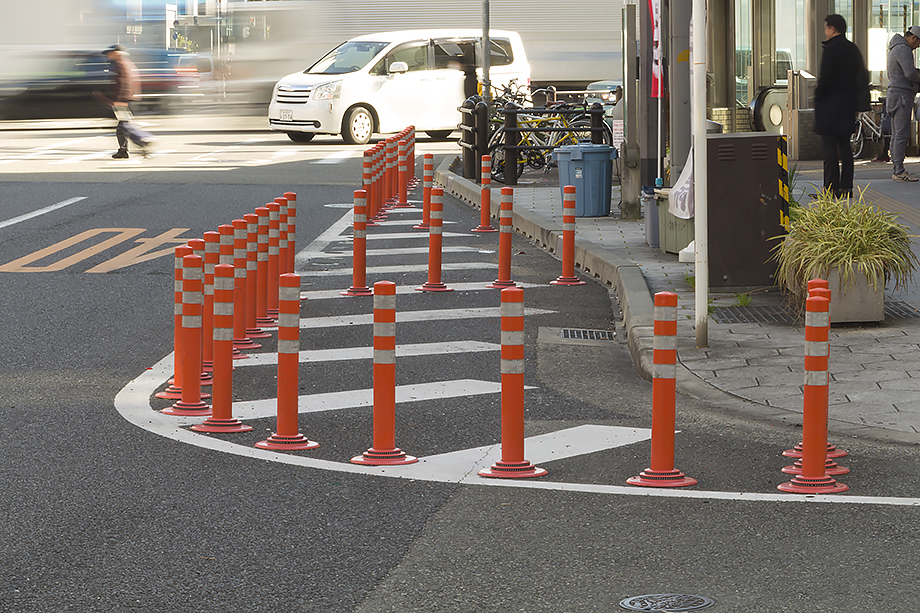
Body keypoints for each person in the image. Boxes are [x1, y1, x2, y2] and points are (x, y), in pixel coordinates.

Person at [814, 14, 870, 198]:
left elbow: (825, 79)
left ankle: (830, 189)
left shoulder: (830, 49)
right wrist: (858, 104)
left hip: (829, 108)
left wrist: (818, 95)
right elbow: (861, 78)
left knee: (829, 150)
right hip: (847, 107)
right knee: (845, 148)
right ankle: (846, 188)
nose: (825, 31)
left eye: (826, 28)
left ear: (832, 29)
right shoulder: (852, 49)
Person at [96, 45, 154, 159]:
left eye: (109, 53)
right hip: (129, 98)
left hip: (124, 100)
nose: (107, 56)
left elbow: (123, 83)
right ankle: (124, 150)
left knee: (124, 126)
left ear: (116, 53)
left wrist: (119, 100)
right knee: (122, 127)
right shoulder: (126, 62)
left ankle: (143, 140)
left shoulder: (120, 64)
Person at [886, 26, 920, 181]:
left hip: (894, 94)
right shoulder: (903, 49)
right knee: (901, 134)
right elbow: (910, 73)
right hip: (902, 96)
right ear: (913, 37)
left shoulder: (895, 47)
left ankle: (896, 169)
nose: (918, 47)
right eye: (919, 43)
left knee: (896, 134)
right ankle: (899, 171)